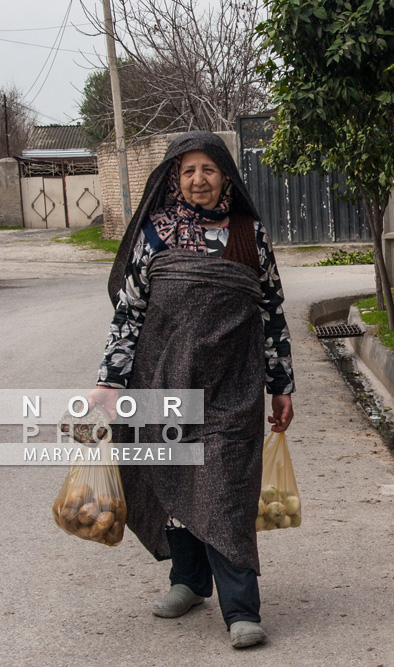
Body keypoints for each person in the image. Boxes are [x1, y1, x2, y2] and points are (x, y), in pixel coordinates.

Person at [88, 131, 294, 649]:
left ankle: (242, 610)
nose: (198, 179)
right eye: (187, 171)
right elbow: (130, 311)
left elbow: (271, 313)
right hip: (163, 380)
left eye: (208, 169)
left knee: (225, 489)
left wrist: (281, 384)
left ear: (225, 175)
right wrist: (111, 380)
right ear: (174, 180)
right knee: (173, 477)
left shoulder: (249, 234)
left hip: (233, 388)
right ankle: (188, 581)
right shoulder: (157, 233)